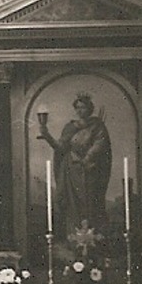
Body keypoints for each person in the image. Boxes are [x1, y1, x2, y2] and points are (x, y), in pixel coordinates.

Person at [36, 92, 112, 229]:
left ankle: (92, 237)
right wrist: (46, 135)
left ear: (90, 109)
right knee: (72, 205)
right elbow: (60, 147)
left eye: (83, 107)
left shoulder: (97, 126)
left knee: (89, 203)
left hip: (90, 170)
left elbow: (99, 145)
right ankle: (73, 237)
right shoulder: (70, 127)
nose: (80, 110)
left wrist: (86, 159)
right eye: (77, 107)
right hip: (71, 171)